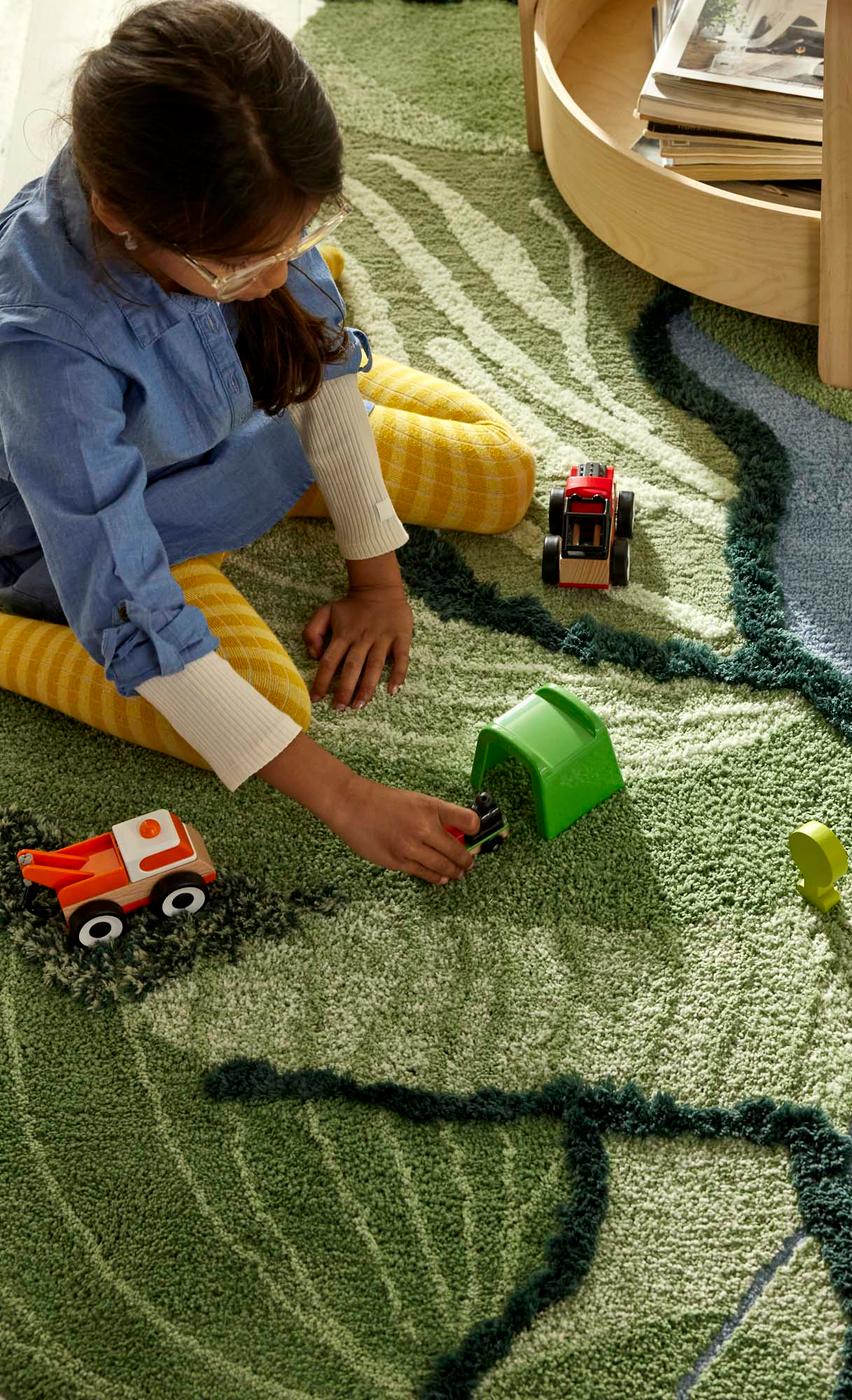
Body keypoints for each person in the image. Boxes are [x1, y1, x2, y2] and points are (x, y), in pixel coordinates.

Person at [0, 0, 537, 884]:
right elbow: (129, 600)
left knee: (504, 474)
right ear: (118, 214)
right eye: (240, 266)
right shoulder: (50, 349)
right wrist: (348, 797)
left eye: (303, 238)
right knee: (268, 709)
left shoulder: (244, 203)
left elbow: (320, 366)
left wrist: (380, 577)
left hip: (249, 441)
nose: (282, 274)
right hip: (124, 532)